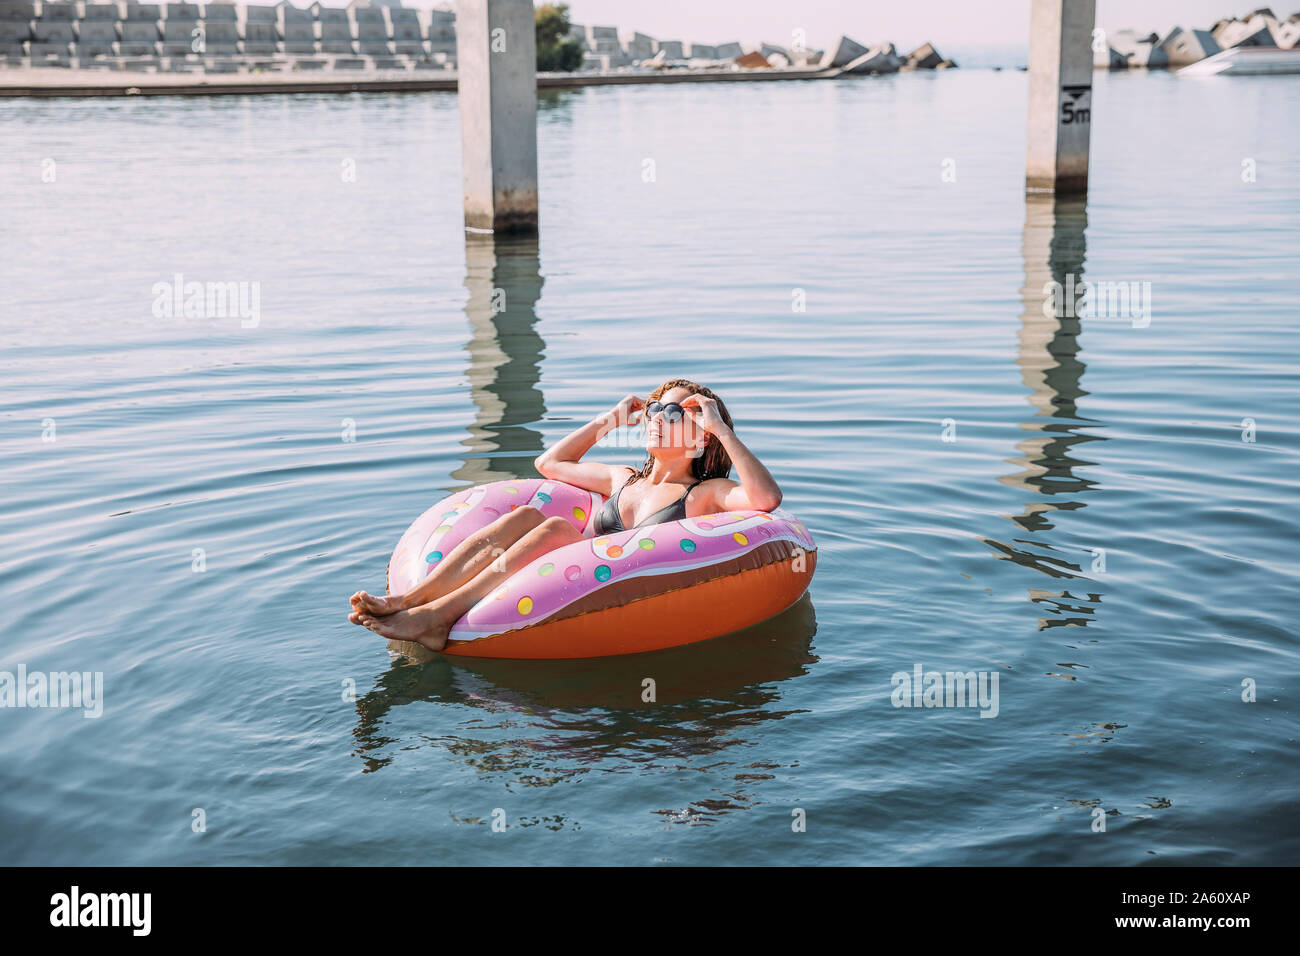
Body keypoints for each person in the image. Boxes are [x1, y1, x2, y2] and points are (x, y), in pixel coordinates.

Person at [349, 378, 783, 650]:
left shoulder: (704, 494)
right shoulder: (624, 479)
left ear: (702, 436)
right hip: (550, 578)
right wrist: (608, 421)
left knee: (555, 525)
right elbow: (549, 464)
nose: (657, 417)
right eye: (654, 408)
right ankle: (409, 600)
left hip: (601, 593)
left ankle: (437, 617)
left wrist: (721, 428)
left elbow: (765, 499)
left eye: (674, 412)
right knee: (523, 518)